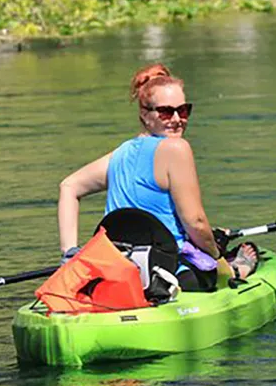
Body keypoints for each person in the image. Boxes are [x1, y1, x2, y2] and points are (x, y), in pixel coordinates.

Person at [57, 63, 257, 292]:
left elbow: (69, 186)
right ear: (144, 114)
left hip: (118, 272)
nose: (176, 119)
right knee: (215, 260)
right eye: (165, 111)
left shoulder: (119, 155)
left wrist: (70, 254)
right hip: (168, 273)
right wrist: (215, 252)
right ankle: (237, 269)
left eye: (183, 110)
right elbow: (195, 222)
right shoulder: (176, 148)